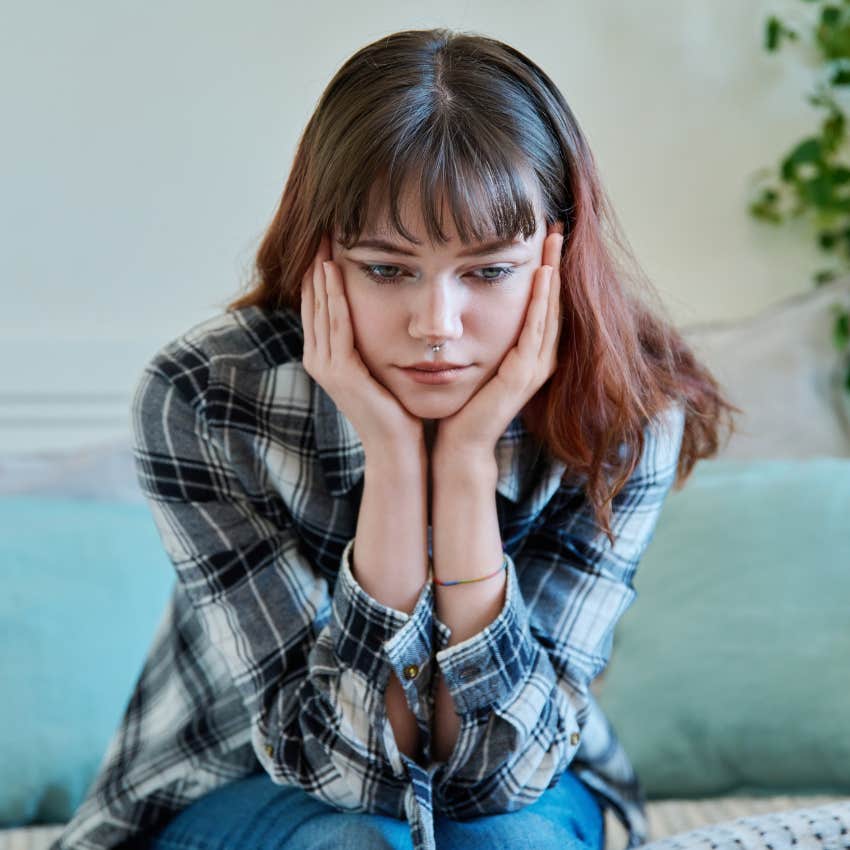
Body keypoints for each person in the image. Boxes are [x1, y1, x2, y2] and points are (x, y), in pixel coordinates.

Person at [49, 26, 739, 850]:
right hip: (235, 779)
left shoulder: (627, 409)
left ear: (556, 254)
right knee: (358, 841)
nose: (437, 327)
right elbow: (344, 774)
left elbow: (500, 778)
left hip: (529, 781)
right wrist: (393, 461)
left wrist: (464, 465)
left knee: (506, 842)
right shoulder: (205, 395)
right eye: (388, 269)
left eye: (488, 271)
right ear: (321, 257)